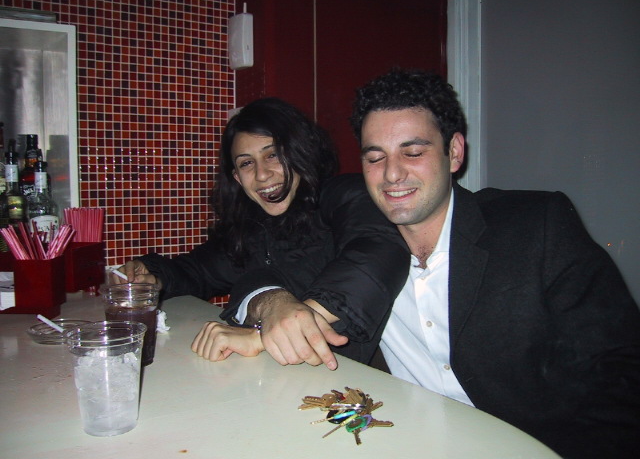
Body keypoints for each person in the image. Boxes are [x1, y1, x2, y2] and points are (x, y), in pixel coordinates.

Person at [349, 68, 640, 458]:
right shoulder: (355, 247)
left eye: (413, 152)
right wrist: (272, 299)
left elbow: (621, 369)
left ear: (454, 152)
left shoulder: (537, 227)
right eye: (374, 157)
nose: (392, 173)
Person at [114, 97, 408, 370]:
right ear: (237, 178)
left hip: (359, 384)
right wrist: (153, 276)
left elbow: (377, 250)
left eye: (273, 155)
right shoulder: (249, 229)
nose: (262, 174)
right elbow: (197, 271)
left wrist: (282, 323)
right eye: (246, 163)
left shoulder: (344, 195)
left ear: (299, 153)